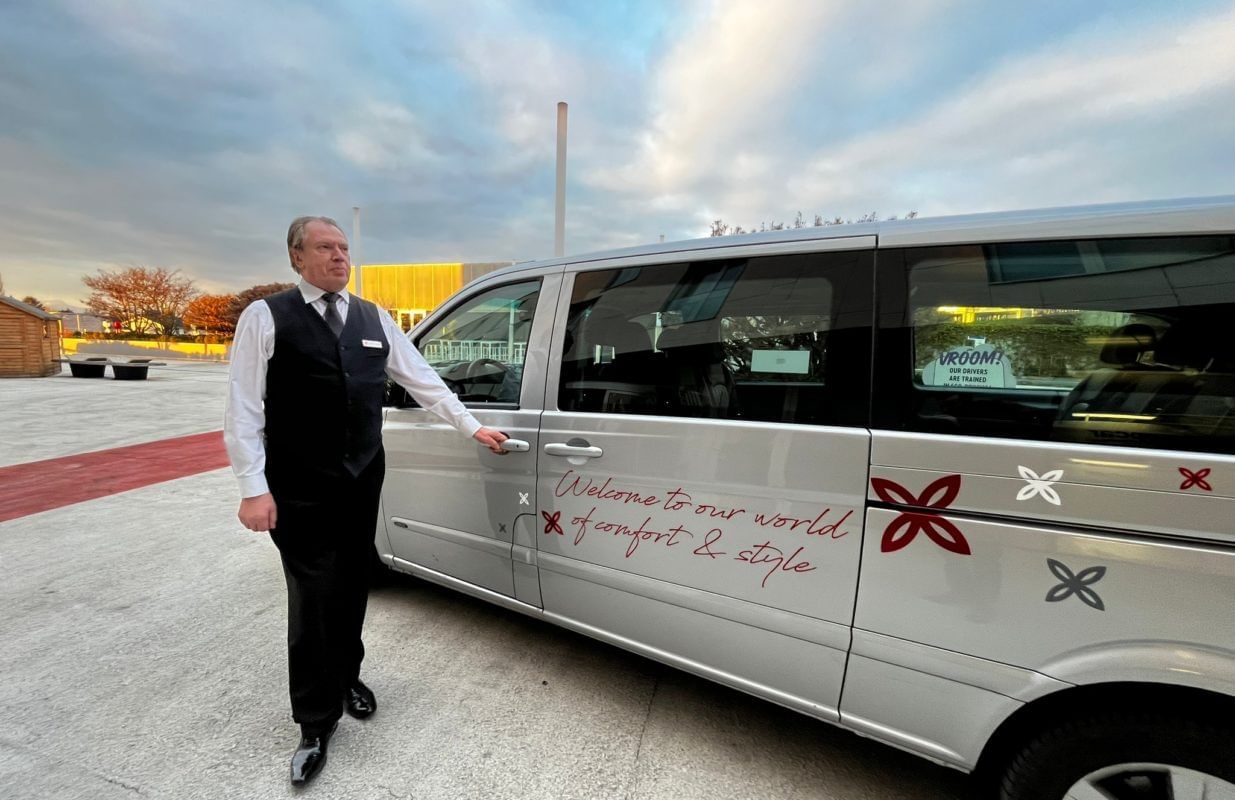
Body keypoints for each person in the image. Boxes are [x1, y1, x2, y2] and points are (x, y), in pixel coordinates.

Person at [223, 216, 507, 786]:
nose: (339, 257)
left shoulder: (374, 317)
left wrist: (470, 426)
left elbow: (422, 377)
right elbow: (244, 407)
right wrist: (253, 489)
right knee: (313, 593)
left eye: (344, 248)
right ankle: (314, 720)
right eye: (325, 247)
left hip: (361, 476)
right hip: (298, 483)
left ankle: (346, 676)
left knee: (354, 580)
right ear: (296, 257)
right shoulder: (266, 317)